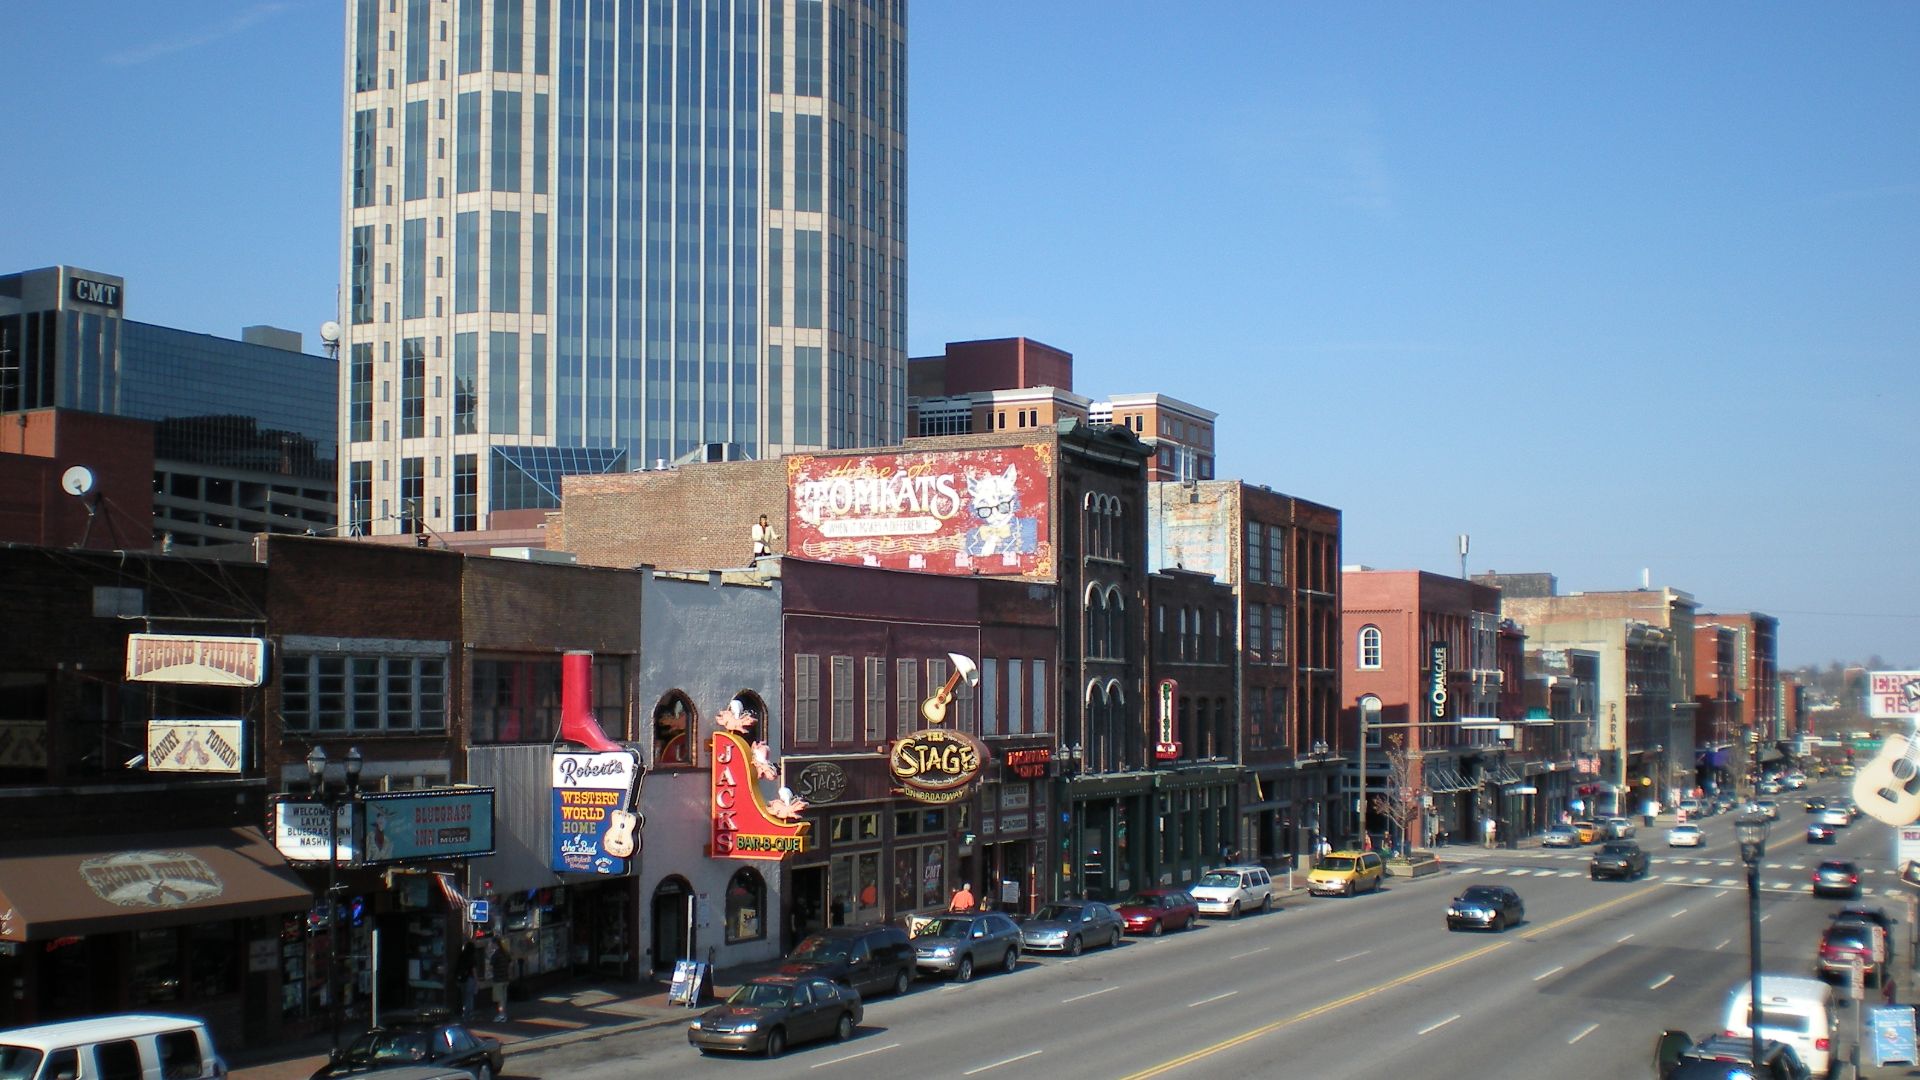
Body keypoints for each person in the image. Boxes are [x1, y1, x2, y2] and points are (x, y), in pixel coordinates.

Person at [487, 938, 511, 1023]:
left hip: (498, 979)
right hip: (505, 978)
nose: (490, 945)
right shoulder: (505, 953)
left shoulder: (495, 955)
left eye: (491, 943)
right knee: (503, 998)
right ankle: (503, 1014)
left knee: (499, 999)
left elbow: (490, 967)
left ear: (494, 944)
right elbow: (510, 963)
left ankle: (501, 1015)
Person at [456, 940, 479, 1021]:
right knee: (470, 997)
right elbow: (474, 970)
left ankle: (464, 1013)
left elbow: (458, 967)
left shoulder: (461, 955)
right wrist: (476, 981)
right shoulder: (472, 957)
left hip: (462, 979)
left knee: (464, 996)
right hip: (470, 978)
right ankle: (468, 1014)